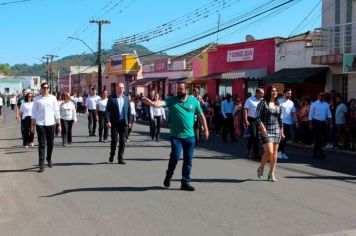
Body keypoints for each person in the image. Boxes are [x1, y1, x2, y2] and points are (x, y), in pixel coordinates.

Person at [142, 81, 209, 191]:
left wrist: (206, 129)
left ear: (187, 90)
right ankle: (169, 175)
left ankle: (185, 182)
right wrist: (151, 103)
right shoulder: (172, 100)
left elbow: (201, 115)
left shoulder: (194, 101)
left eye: (181, 89)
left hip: (190, 136)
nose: (178, 91)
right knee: (175, 157)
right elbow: (160, 103)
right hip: (176, 136)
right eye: (177, 89)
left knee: (188, 160)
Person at [31, 82, 61, 173]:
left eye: (47, 87)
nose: (45, 89)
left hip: (51, 123)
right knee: (41, 145)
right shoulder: (37, 99)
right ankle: (41, 165)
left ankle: (49, 158)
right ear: (41, 88)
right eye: (44, 87)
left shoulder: (53, 98)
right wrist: (32, 126)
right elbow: (34, 113)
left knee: (50, 144)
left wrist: (59, 124)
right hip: (40, 124)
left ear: (48, 89)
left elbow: (56, 111)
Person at [256, 86, 284, 182]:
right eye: (272, 91)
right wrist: (262, 127)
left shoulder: (278, 104)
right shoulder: (263, 103)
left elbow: (280, 119)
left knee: (275, 153)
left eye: (276, 91)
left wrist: (282, 130)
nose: (274, 92)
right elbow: (257, 116)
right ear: (269, 92)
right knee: (269, 152)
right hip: (266, 129)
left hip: (276, 129)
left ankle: (271, 173)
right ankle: (261, 167)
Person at [105, 83, 131, 165]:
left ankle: (120, 158)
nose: (121, 89)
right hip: (114, 123)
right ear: (116, 88)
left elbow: (129, 111)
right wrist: (108, 121)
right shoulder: (112, 98)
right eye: (119, 88)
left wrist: (129, 122)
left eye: (122, 88)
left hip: (124, 123)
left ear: (124, 89)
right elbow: (107, 111)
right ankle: (112, 154)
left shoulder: (126, 98)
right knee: (114, 140)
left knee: (122, 141)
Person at [308, 92, 332, 159]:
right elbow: (310, 114)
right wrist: (310, 124)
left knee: (320, 139)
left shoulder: (326, 104)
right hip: (316, 122)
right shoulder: (314, 104)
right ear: (318, 96)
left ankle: (317, 153)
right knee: (318, 138)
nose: (322, 97)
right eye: (321, 95)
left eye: (323, 96)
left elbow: (329, 114)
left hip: (323, 123)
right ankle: (319, 153)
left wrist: (331, 122)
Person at [244, 88, 264, 159]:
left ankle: (256, 153)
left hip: (260, 120)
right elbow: (245, 109)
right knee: (254, 135)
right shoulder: (249, 100)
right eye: (261, 93)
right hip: (251, 119)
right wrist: (246, 120)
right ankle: (249, 150)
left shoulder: (262, 100)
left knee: (256, 137)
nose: (262, 95)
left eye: (263, 93)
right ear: (257, 93)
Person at [277, 88, 297, 160]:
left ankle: (282, 152)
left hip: (288, 122)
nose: (289, 95)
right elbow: (276, 112)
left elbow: (293, 113)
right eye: (288, 93)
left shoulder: (291, 102)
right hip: (281, 122)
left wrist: (296, 121)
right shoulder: (279, 101)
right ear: (284, 93)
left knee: (285, 138)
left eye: (290, 94)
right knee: (280, 138)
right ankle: (278, 152)